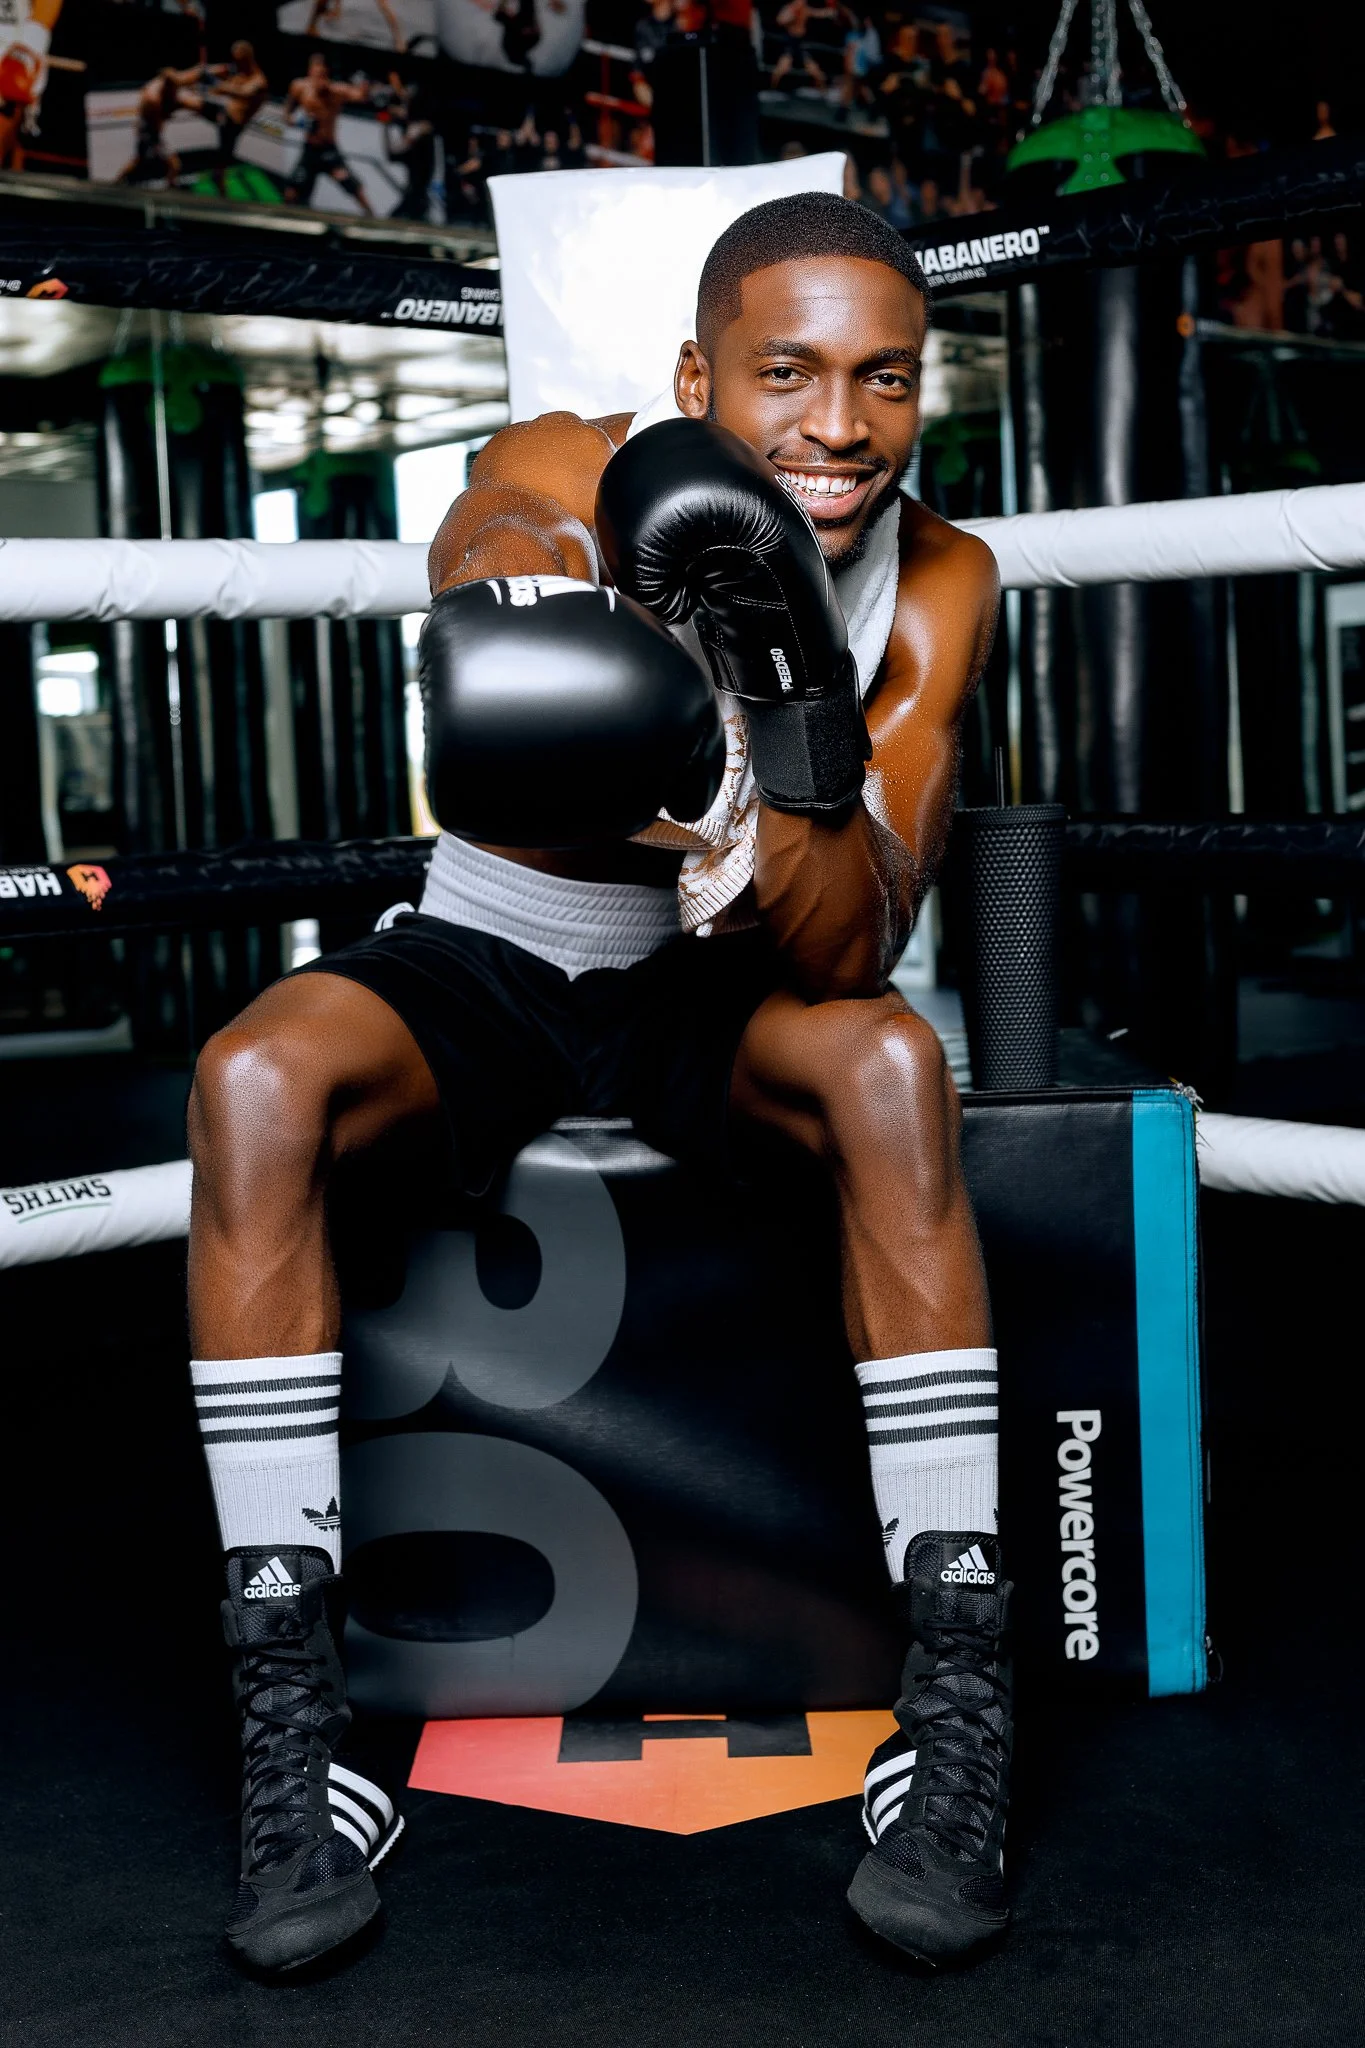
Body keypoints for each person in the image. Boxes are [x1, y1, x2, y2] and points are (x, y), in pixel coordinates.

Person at [187, 190, 1008, 1980]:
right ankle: (294, 1732)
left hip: (715, 987)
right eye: (786, 374)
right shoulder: (568, 452)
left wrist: (787, 706)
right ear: (698, 373)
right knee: (255, 1077)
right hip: (487, 953)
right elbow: (489, 623)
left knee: (890, 1061)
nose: (840, 425)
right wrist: (572, 601)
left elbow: (854, 937)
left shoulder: (943, 579)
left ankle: (952, 1713)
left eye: (885, 377)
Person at [282, 51, 374, 213]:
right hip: (310, 150)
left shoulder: (337, 91)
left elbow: (361, 97)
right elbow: (287, 114)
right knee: (291, 193)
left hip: (329, 151)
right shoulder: (299, 87)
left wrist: (364, 86)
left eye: (323, 75)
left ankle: (373, 219)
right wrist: (297, 122)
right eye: (317, 74)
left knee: (353, 187)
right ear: (310, 72)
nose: (320, 80)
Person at [114, 61, 205, 187]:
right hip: (149, 131)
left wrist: (199, 69)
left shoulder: (165, 81)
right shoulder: (153, 99)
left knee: (139, 161)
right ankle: (170, 188)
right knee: (174, 165)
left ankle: (117, 182)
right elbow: (157, 126)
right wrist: (158, 146)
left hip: (147, 128)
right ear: (168, 87)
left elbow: (186, 77)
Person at [199, 40, 269, 194]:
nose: (236, 64)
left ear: (248, 59)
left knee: (222, 161)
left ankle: (221, 191)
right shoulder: (236, 70)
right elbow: (211, 72)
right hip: (224, 113)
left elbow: (244, 93)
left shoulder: (258, 81)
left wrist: (217, 84)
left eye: (239, 61)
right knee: (192, 100)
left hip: (233, 124)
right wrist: (207, 73)